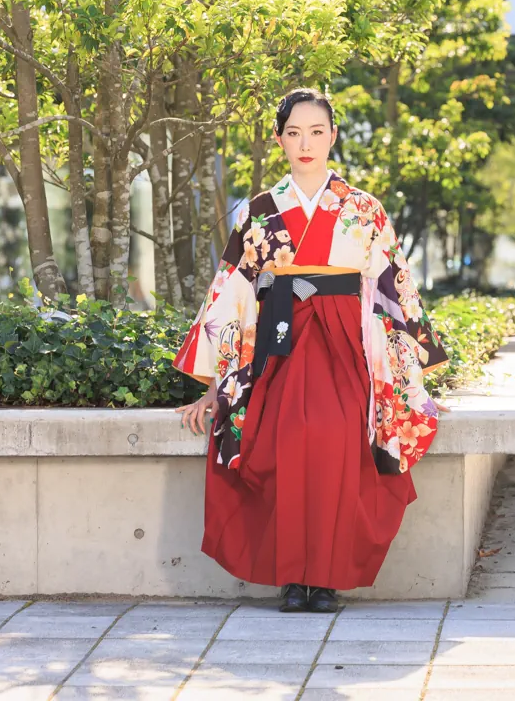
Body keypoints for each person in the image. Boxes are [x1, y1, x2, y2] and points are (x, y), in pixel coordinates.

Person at [173, 88, 449, 613]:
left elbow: (393, 293)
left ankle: (325, 578)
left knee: (338, 442)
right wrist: (213, 386)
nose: (306, 144)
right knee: (283, 443)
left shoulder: (363, 209)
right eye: (294, 133)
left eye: (316, 132)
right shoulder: (259, 211)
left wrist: (413, 384)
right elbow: (231, 295)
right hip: (278, 341)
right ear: (278, 139)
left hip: (344, 342)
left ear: (333, 136)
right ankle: (292, 578)